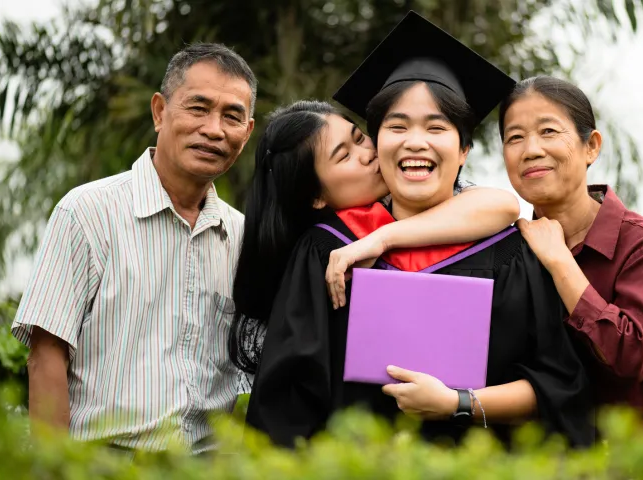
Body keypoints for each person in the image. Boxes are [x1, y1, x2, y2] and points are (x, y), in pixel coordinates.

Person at [242, 12, 593, 449]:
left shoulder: (513, 255)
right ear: (376, 143)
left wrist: (460, 403)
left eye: (436, 127)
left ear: (464, 149)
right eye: (397, 126)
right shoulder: (329, 252)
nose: (415, 142)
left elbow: (558, 389)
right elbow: (285, 405)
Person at [11, 43, 257, 453]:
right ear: (160, 111)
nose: (214, 129)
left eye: (232, 116)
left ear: (247, 132)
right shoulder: (88, 212)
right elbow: (46, 355)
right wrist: (55, 468)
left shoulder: (243, 236)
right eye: (198, 108)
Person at [227, 99, 521, 375]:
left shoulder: (441, 208)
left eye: (359, 138)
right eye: (345, 156)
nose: (369, 154)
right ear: (316, 195)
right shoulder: (320, 253)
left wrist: (382, 238)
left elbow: (504, 205)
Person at [498, 75, 643, 438]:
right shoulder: (509, 250)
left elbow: (631, 357)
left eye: (548, 131)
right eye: (514, 137)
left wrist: (561, 262)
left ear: (591, 146)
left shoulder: (642, 246)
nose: (531, 149)